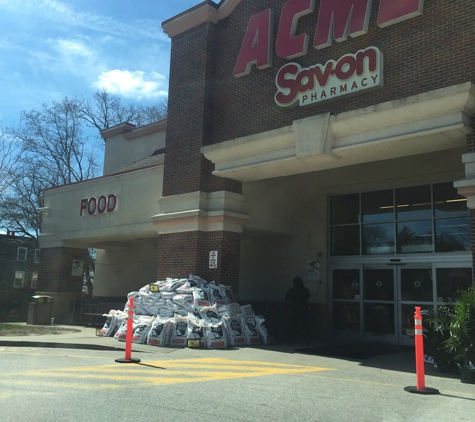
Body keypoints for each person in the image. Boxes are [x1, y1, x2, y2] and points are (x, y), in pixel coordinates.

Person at [284, 277, 311, 345]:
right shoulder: (305, 290)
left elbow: (286, 298)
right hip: (304, 309)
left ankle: (292, 340)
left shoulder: (292, 290)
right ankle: (306, 340)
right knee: (304, 325)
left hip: (294, 309)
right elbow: (308, 296)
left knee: (293, 325)